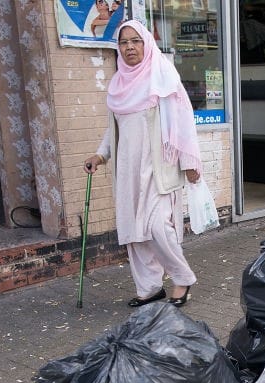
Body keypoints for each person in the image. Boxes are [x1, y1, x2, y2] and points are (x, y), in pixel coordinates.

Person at [84, 20, 202, 307]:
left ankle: (182, 278)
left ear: (146, 43)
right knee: (134, 233)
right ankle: (149, 288)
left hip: (159, 168)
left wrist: (189, 161)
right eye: (124, 42)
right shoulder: (118, 84)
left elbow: (182, 121)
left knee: (158, 228)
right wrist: (100, 155)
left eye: (135, 41)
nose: (129, 47)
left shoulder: (161, 76)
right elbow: (114, 129)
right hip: (128, 171)